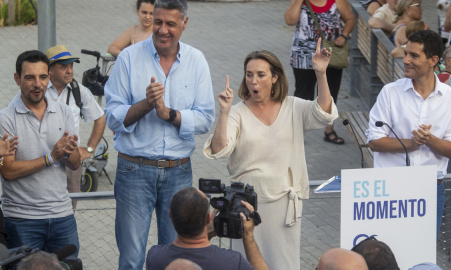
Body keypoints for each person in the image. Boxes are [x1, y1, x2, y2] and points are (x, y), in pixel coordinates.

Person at [203, 38, 338, 270]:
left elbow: (324, 114)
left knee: (283, 264)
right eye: (249, 74)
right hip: (245, 206)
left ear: (275, 77)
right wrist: (224, 113)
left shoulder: (293, 106)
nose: (253, 80)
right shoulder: (237, 112)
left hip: (284, 206)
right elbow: (219, 149)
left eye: (261, 74)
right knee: (245, 265)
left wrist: (320, 73)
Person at [103, 0, 215, 268]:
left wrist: (169, 114)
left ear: (184, 24)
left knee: (178, 258)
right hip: (134, 171)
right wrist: (146, 105)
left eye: (171, 24)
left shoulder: (196, 60)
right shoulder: (128, 58)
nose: (163, 30)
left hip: (179, 172)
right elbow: (112, 116)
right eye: (158, 22)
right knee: (131, 260)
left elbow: (206, 119)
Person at [366, 30, 451, 237]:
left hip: (430, 190)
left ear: (433, 61)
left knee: (423, 258)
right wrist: (412, 144)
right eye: (406, 54)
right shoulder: (390, 92)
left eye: (414, 56)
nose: (406, 61)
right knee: (386, 255)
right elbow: (374, 141)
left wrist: (428, 139)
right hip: (389, 189)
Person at [0, 50, 81, 255]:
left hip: (63, 216)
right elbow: (7, 172)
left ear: (49, 77)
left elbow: (75, 163)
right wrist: (51, 157)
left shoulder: (63, 111)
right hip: (22, 220)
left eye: (43, 77)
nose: (38, 84)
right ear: (17, 79)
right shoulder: (6, 118)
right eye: (30, 78)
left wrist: (69, 152)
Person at [285, 0, 355, 145]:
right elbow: (290, 20)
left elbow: (350, 19)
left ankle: (329, 130)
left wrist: (344, 35)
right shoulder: (300, 2)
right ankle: (296, 132)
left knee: (330, 94)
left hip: (331, 55)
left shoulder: (336, 1)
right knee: (303, 95)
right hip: (303, 56)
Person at [145, 187, 268, 270]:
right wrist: (248, 235)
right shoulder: (233, 262)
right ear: (208, 218)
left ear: (170, 215)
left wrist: (207, 235)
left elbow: (193, 252)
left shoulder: (155, 257)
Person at [44, 45, 106, 208]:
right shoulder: (39, 91)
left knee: (70, 209)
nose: (69, 71)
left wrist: (90, 149)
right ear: (50, 70)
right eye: (63, 67)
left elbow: (100, 117)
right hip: (44, 160)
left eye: (71, 66)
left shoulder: (79, 91)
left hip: (71, 161)